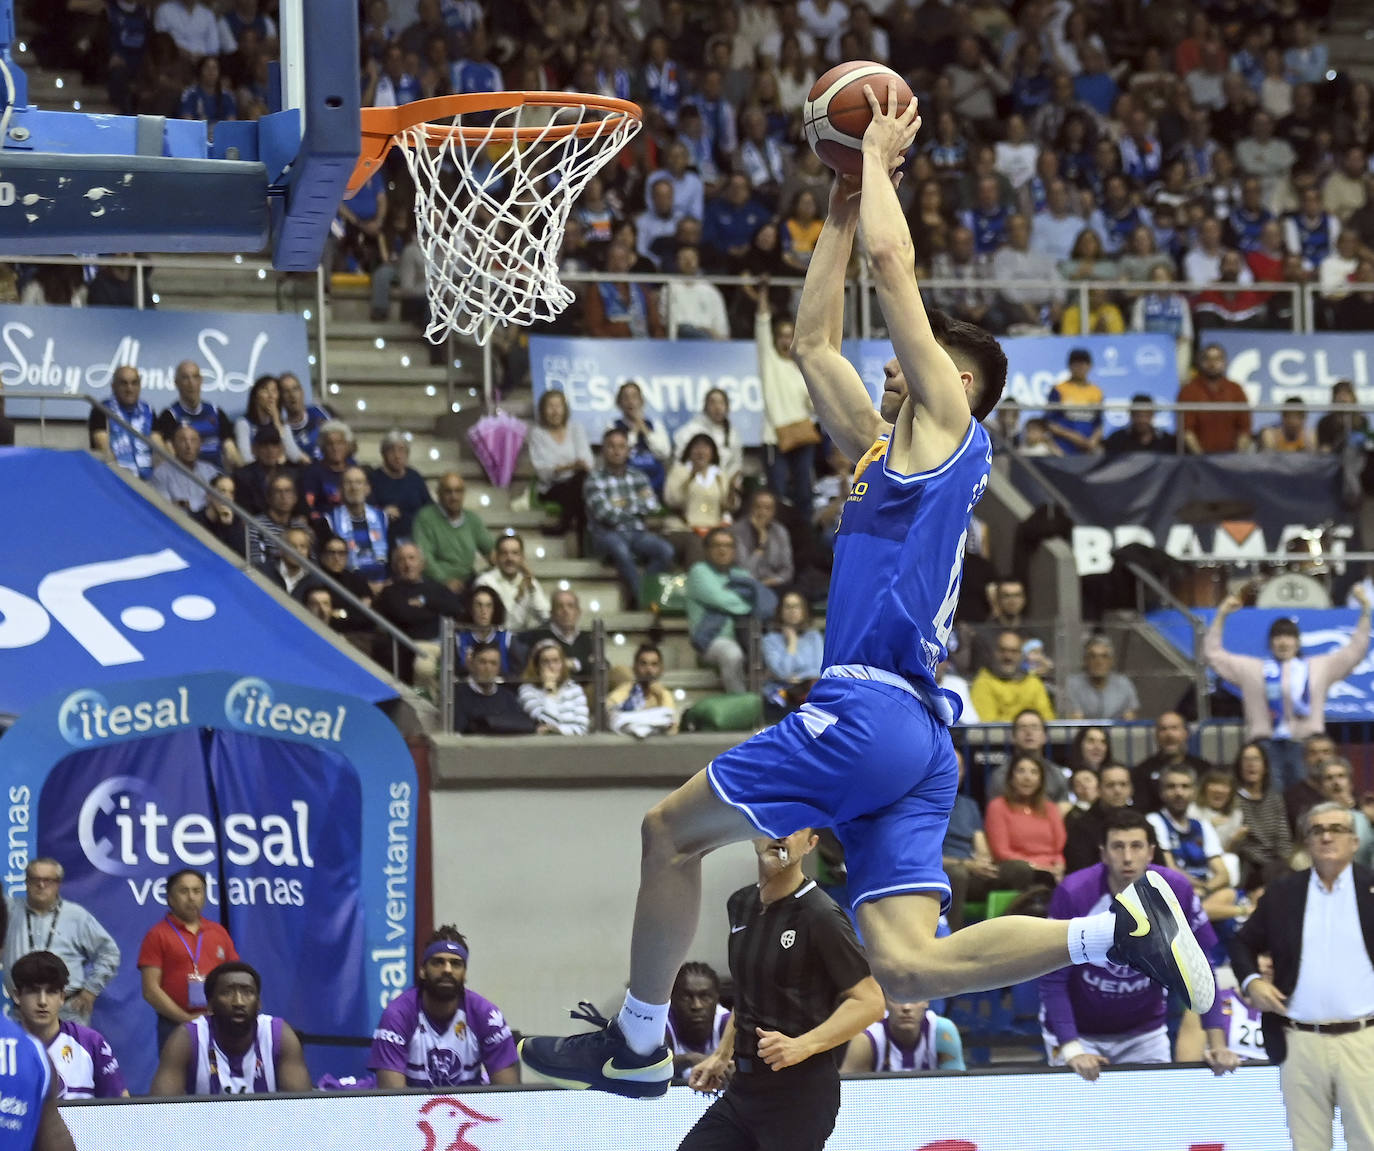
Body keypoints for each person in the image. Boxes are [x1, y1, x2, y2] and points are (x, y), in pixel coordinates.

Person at [518, 90, 1215, 1101]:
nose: (901, 358)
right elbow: (812, 345)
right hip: (916, 735)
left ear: (960, 385)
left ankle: (635, 1039)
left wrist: (880, 157)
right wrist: (841, 203)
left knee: (666, 833)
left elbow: (898, 273)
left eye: (929, 356)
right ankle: (1118, 927)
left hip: (867, 706)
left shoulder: (950, 426)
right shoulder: (886, 454)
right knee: (906, 966)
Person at [678, 830, 884, 1146]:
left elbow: (870, 1002)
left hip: (799, 1096)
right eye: (772, 822)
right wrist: (722, 1054)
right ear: (752, 835)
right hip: (743, 1090)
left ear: (811, 844)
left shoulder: (820, 915)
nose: (781, 833)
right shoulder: (740, 904)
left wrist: (803, 1044)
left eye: (795, 826)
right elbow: (749, 994)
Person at [1041, 811, 1239, 1080]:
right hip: (1080, 1031)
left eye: (1136, 846)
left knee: (1152, 1116)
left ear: (1151, 852)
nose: (1127, 857)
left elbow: (1203, 965)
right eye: (1118, 847)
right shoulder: (1073, 893)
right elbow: (1052, 977)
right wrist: (1072, 1048)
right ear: (1103, 853)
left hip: (1145, 1031)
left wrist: (1217, 1045)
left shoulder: (1176, 889)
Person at [1229, 801, 1374, 1151]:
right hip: (1300, 1041)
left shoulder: (1371, 888)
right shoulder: (1283, 892)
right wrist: (1253, 982)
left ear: (1354, 841)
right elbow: (1241, 943)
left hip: (1364, 1039)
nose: (1326, 836)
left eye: (1335, 829)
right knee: (1308, 1145)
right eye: (1316, 830)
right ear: (1306, 842)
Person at [1207, 589, 1371, 794]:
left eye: (1289, 637)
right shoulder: (1252, 669)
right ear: (1270, 642)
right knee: (1272, 801)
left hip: (1306, 745)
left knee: (1309, 798)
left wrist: (1365, 610)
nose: (1283, 642)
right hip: (1266, 746)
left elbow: (1355, 651)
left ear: (1298, 641)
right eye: (1277, 637)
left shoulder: (1319, 666)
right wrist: (1221, 615)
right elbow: (1214, 655)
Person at [368, 928, 519, 1088]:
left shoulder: (488, 1016)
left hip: (468, 1111)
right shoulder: (397, 1015)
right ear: (423, 971)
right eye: (438, 962)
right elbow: (393, 1101)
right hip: (412, 1111)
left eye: (456, 964)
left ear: (465, 973)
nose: (447, 969)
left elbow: (509, 1098)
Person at [149, 961, 312, 1095]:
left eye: (248, 992)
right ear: (210, 1005)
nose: (239, 1002)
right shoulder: (187, 1038)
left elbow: (301, 1110)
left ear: (259, 1004)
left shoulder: (278, 1035)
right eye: (227, 993)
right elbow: (161, 1113)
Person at [3, 858, 120, 1025]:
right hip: (22, 1011)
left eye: (47, 880)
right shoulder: (9, 910)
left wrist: (91, 990)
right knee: (25, 1052)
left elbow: (109, 952)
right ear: (26, 882)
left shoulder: (76, 916)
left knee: (69, 1052)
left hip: (67, 1011)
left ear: (58, 884)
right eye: (35, 879)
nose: (41, 885)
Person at [137, 868, 239, 1052]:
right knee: (180, 1079)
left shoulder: (218, 932)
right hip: (175, 1025)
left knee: (219, 1076)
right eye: (184, 891)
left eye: (197, 891)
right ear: (170, 898)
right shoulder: (157, 935)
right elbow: (150, 990)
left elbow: (234, 978)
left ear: (205, 896)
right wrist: (187, 1019)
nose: (191, 897)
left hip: (218, 1022)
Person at [10, 952, 127, 1098]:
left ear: (62, 997)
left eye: (51, 992)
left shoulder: (91, 1042)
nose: (42, 1001)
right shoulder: (5, 1045)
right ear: (17, 996)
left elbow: (120, 1105)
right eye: (33, 991)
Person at [584, 427, 676, 610]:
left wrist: (621, 505)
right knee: (620, 549)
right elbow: (605, 515)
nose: (616, 451)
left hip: (638, 533)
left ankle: (639, 592)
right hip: (607, 535)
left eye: (621, 446)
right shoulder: (593, 480)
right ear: (603, 450)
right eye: (611, 446)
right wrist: (634, 507)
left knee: (666, 551)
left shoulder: (639, 477)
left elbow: (652, 506)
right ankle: (644, 601)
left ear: (628, 450)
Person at [686, 528, 772, 695]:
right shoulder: (699, 571)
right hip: (711, 640)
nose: (722, 550)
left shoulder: (741, 573)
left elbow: (762, 602)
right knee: (732, 654)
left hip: (747, 636)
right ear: (707, 550)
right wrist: (745, 602)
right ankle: (740, 706)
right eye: (717, 545)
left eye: (728, 545)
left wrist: (742, 600)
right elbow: (721, 600)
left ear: (734, 550)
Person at [1148, 767, 1241, 922]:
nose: (1179, 792)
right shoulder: (1154, 821)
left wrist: (1204, 889)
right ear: (1161, 793)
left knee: (1229, 895)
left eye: (1185, 787)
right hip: (1172, 894)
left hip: (1204, 894)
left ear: (1194, 792)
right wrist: (1198, 888)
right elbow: (1170, 869)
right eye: (1172, 787)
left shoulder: (1203, 826)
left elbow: (1223, 874)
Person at [757, 286, 818, 511]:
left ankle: (804, 542)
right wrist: (763, 293)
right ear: (775, 339)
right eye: (782, 336)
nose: (786, 341)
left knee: (805, 493)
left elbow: (813, 406)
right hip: (775, 437)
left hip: (802, 436)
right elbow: (762, 325)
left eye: (790, 336)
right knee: (778, 494)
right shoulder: (770, 361)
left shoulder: (802, 367)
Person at [985, 754, 1067, 886]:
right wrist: (1035, 866)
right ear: (1011, 778)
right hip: (1016, 869)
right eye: (1020, 771)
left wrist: (1059, 864)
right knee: (1025, 872)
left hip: (1051, 869)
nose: (1027, 777)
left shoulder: (1050, 808)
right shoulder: (997, 806)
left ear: (1041, 780)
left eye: (1034, 772)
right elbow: (1001, 852)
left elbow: (1059, 848)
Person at [412, 472, 496, 596]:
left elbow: (491, 551)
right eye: (448, 491)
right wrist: (445, 580)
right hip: (436, 583)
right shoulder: (425, 518)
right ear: (438, 494)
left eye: (458, 491)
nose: (454, 497)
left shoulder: (472, 519)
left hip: (467, 581)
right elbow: (424, 558)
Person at [152, 359, 241, 469]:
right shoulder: (170, 415)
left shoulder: (216, 411)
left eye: (195, 377)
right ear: (176, 383)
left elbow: (230, 448)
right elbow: (168, 453)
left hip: (218, 476)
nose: (191, 383)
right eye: (185, 378)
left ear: (201, 381)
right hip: (187, 477)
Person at [528, 390, 593, 539]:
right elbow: (543, 470)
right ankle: (582, 544)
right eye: (550, 406)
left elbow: (587, 461)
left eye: (558, 406)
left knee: (580, 482)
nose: (555, 411)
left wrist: (563, 467)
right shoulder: (538, 433)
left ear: (565, 409)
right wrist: (570, 466)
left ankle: (563, 526)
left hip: (577, 481)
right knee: (580, 493)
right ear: (543, 411)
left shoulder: (576, 428)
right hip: (552, 487)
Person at [841, 996, 965, 1072]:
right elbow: (848, 1096)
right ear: (885, 1001)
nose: (906, 1007)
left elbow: (958, 1088)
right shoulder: (866, 1039)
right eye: (897, 999)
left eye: (914, 998)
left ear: (927, 1001)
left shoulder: (943, 1031)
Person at [1232, 741, 1295, 888]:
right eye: (1246, 760)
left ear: (1265, 766)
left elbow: (1283, 837)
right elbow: (1240, 842)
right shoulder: (1233, 798)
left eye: (1256, 759)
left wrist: (1282, 859)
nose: (1251, 764)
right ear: (1239, 766)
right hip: (1248, 863)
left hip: (1275, 863)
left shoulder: (1274, 798)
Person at [1178, 344, 1254, 454]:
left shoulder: (1236, 390)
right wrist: (1202, 459)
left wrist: (1236, 458)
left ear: (1225, 362)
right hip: (1196, 462)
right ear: (1200, 362)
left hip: (1231, 460)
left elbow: (1245, 429)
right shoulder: (1188, 391)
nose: (1212, 364)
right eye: (1207, 359)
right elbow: (1186, 430)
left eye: (1217, 359)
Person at [1132, 711, 1214, 813]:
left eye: (1174, 728)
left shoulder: (1204, 768)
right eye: (1163, 729)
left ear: (1186, 733)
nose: (1169, 734)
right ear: (1156, 735)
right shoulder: (1142, 771)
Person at [969, 630, 1055, 722]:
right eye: (1003, 650)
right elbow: (987, 726)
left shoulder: (1033, 682)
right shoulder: (983, 682)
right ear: (994, 653)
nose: (1008, 656)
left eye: (1014, 651)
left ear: (1021, 654)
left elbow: (1047, 720)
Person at [761, 590, 823, 718]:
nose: (792, 611)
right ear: (781, 611)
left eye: (796, 606)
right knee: (782, 701)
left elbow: (818, 669)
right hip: (782, 692)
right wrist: (792, 643)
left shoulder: (814, 637)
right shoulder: (770, 640)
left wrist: (799, 678)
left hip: (807, 688)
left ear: (803, 611)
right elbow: (783, 673)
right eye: (788, 607)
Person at [452, 642, 537, 736]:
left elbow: (523, 725)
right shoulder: (456, 695)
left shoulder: (508, 697)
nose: (488, 668)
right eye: (482, 662)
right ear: (472, 664)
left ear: (499, 668)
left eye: (493, 663)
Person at [1065, 764, 1136, 874]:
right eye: (1110, 785)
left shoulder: (1141, 822)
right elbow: (1080, 870)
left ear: (1131, 789)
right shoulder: (1081, 826)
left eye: (1123, 784)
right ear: (1098, 789)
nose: (1117, 790)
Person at [665, 962, 730, 1082]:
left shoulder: (727, 1023)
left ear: (717, 998)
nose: (697, 1006)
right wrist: (691, 1059)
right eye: (687, 997)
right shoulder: (663, 1025)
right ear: (672, 999)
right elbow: (650, 1070)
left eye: (705, 996)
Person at [88, 364, 155, 479]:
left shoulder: (148, 410)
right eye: (124, 383)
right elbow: (103, 448)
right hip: (117, 478)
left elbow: (159, 447)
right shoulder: (101, 410)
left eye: (134, 383)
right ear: (113, 386)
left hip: (150, 480)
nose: (129, 389)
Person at [475, 534, 551, 633]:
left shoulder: (528, 582)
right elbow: (506, 626)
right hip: (493, 640)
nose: (509, 558)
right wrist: (519, 599)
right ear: (496, 557)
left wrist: (532, 590)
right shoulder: (485, 582)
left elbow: (546, 617)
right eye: (504, 553)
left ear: (522, 558)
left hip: (521, 640)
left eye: (515, 553)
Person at [367, 430, 431, 542]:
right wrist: (383, 513)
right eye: (391, 451)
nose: (397, 456)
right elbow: (366, 509)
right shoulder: (374, 478)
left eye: (401, 450)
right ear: (383, 454)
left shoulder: (414, 477)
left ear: (407, 453)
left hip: (416, 534)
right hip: (385, 534)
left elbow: (429, 506)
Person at [516, 639, 590, 735]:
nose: (551, 666)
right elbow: (548, 721)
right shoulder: (527, 690)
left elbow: (582, 729)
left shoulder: (575, 689)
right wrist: (550, 690)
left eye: (556, 661)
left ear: (562, 664)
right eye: (545, 662)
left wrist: (558, 730)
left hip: (574, 745)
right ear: (537, 666)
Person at [605, 643, 679, 738]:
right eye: (643, 664)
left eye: (654, 664)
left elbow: (671, 727)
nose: (649, 670)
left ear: (661, 669)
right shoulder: (626, 690)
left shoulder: (663, 694)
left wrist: (660, 694)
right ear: (634, 667)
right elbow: (609, 708)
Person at [1060, 634, 1140, 720]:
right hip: (1084, 733)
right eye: (1093, 656)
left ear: (1112, 661)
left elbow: (1130, 719)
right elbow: (1075, 720)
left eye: (1104, 656)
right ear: (1085, 661)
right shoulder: (1072, 684)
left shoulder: (1124, 684)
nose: (1099, 662)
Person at [732, 489, 794, 590]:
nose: (762, 512)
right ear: (750, 508)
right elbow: (743, 570)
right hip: (746, 585)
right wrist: (761, 546)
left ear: (774, 512)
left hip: (774, 584)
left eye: (767, 508)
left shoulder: (780, 531)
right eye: (758, 507)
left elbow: (788, 569)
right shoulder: (737, 531)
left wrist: (772, 581)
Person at [1045, 348, 1104, 455]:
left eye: (1084, 364)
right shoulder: (1059, 389)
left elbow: (1099, 423)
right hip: (1063, 446)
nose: (1080, 367)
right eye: (1076, 364)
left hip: (1089, 448)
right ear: (1069, 366)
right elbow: (1051, 423)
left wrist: (1092, 441)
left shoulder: (1097, 391)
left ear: (1090, 366)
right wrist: (1075, 437)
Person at [1104, 393, 1179, 455]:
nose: (1142, 420)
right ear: (1131, 415)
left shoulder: (1167, 441)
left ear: (1152, 415)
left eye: (1146, 415)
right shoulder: (1117, 439)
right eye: (1138, 415)